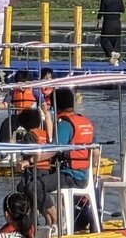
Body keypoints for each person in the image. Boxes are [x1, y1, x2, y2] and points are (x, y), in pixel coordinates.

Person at [17, 88, 94, 229]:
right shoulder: (86, 122)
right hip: (84, 174)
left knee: (33, 187)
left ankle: (58, 219)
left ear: (57, 105)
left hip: (70, 175)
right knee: (35, 184)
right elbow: (94, 153)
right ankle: (50, 221)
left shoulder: (65, 124)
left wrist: (29, 161)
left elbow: (52, 150)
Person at [96, 0, 125, 64]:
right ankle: (115, 58)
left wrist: (98, 19)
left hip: (108, 22)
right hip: (117, 22)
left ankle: (112, 53)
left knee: (104, 39)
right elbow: (122, 10)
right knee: (116, 40)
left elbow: (102, 10)